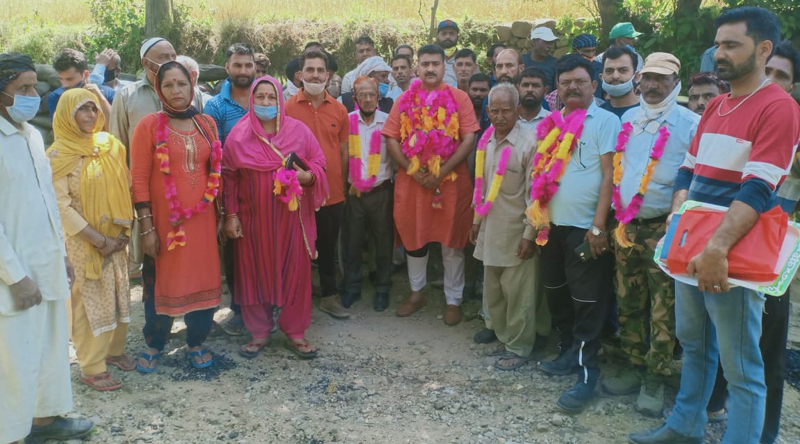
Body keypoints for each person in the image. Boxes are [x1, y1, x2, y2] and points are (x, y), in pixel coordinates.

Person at [629, 7, 800, 444]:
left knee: (741, 365)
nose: (718, 53)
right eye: (718, 44)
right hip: (692, 245)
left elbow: (759, 189)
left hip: (729, 253)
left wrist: (717, 250)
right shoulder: (717, 105)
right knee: (695, 345)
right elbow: (688, 171)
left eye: (731, 45)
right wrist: (678, 216)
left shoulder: (779, 108)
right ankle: (685, 423)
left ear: (763, 49)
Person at [701, 39, 800, 444]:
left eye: (782, 76)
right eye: (768, 71)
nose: (771, 80)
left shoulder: (786, 117)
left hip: (770, 246)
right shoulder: (734, 111)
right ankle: (716, 402)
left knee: (765, 342)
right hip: (722, 235)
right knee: (722, 330)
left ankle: (763, 432)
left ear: (792, 86)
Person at [0, 52, 94, 444]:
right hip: (14, 274)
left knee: (52, 350)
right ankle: (11, 433)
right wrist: (16, 277)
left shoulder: (33, 135)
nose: (31, 96)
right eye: (21, 89)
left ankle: (45, 421)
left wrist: (62, 255)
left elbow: (46, 202)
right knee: (16, 360)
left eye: (33, 87)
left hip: (48, 263)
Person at [599, 53, 700, 416]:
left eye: (663, 79)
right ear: (639, 80)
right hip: (626, 226)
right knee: (627, 301)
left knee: (663, 308)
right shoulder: (628, 118)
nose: (654, 86)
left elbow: (695, 180)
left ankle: (655, 378)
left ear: (676, 82)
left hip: (664, 228)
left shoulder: (690, 123)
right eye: (649, 78)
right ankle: (632, 365)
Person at [535, 54, 620, 413]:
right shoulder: (552, 123)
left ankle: (588, 374)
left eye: (580, 81)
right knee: (556, 294)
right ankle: (568, 353)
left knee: (588, 302)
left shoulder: (605, 121)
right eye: (565, 81)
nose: (572, 87)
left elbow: (609, 177)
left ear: (594, 84)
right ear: (557, 87)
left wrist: (599, 226)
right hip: (551, 227)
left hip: (586, 230)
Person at [222, 75, 328, 360]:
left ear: (280, 100)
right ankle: (259, 332)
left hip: (292, 219)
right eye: (260, 97)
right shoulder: (238, 135)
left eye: (271, 97)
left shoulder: (300, 131)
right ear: (252, 100)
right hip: (254, 220)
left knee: (295, 273)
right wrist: (231, 216)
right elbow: (229, 178)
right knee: (253, 272)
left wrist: (308, 176)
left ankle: (295, 332)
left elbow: (319, 162)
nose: (266, 102)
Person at [131, 61, 223, 373]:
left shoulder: (207, 124)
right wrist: (146, 228)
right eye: (168, 85)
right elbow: (140, 179)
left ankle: (196, 341)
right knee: (161, 282)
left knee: (202, 277)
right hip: (164, 225)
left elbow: (215, 172)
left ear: (192, 85)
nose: (176, 90)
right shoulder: (149, 125)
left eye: (181, 84)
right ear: (159, 89)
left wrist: (223, 216)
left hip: (202, 223)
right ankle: (155, 343)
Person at [381, 44, 479, 325]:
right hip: (412, 184)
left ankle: (453, 300)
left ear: (444, 66)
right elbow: (391, 138)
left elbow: (469, 138)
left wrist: (441, 171)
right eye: (425, 64)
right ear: (417, 68)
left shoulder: (459, 98)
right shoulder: (404, 100)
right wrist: (414, 170)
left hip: (449, 183)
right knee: (414, 239)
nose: (430, 68)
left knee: (452, 241)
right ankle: (416, 293)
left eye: (435, 63)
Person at [46, 88, 135, 391]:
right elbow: (61, 207)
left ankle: (114, 350)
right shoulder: (58, 155)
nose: (90, 115)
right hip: (83, 242)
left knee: (118, 292)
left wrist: (123, 231)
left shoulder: (109, 145)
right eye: (82, 109)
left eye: (94, 109)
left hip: (116, 239)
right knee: (88, 301)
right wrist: (98, 239)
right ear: (67, 115)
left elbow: (125, 184)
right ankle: (91, 367)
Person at [470, 83, 550, 370]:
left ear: (517, 110)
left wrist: (530, 235)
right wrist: (476, 221)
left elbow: (537, 196)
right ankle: (499, 331)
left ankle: (519, 347)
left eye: (506, 110)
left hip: (517, 230)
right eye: (494, 110)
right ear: (487, 111)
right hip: (490, 227)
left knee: (520, 293)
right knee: (493, 287)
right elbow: (481, 187)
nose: (499, 116)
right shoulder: (486, 139)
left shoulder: (530, 143)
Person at [110, 38, 200, 281]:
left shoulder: (194, 93)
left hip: (187, 192)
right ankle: (156, 314)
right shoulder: (127, 95)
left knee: (187, 254)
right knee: (153, 253)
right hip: (144, 194)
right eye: (162, 57)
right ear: (145, 62)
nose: (170, 62)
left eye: (173, 55)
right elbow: (117, 145)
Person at [285, 51, 351, 319]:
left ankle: (328, 296)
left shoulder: (340, 109)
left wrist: (342, 187)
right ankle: (294, 298)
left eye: (320, 70)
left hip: (331, 192)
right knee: (296, 246)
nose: (314, 75)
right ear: (300, 75)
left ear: (328, 75)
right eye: (309, 70)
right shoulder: (287, 108)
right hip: (296, 192)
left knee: (327, 246)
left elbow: (344, 152)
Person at [203, 43, 257, 336]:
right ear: (227, 68)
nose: (243, 71)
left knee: (262, 246)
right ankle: (238, 309)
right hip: (231, 190)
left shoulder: (264, 96)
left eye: (248, 65)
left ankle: (263, 305)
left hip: (266, 188)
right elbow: (214, 153)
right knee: (235, 251)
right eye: (238, 65)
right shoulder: (215, 106)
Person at [340, 76, 395, 311]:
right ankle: (352, 287)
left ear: (379, 97)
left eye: (372, 94)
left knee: (383, 243)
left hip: (381, 191)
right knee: (351, 243)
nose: (369, 99)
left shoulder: (389, 123)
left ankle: (382, 288)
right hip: (354, 193)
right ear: (355, 98)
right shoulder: (347, 121)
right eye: (363, 95)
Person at [48, 49, 115, 124]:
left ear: (85, 75)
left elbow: (115, 128)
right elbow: (60, 131)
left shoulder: (108, 94)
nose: (65, 85)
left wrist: (101, 99)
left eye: (70, 79)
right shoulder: (56, 97)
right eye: (61, 79)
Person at [599, 45, 640, 118]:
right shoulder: (597, 116)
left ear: (636, 76)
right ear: (601, 77)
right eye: (609, 71)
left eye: (623, 70)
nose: (615, 76)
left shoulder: (648, 113)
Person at [437, 20, 461, 87]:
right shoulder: (430, 58)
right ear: (437, 37)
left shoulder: (466, 59)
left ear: (458, 37)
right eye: (444, 33)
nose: (448, 37)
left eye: (452, 33)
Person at [468, 73, 492, 137]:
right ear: (468, 90)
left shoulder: (493, 118)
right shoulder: (461, 114)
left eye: (483, 90)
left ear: (490, 92)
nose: (478, 94)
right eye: (474, 89)